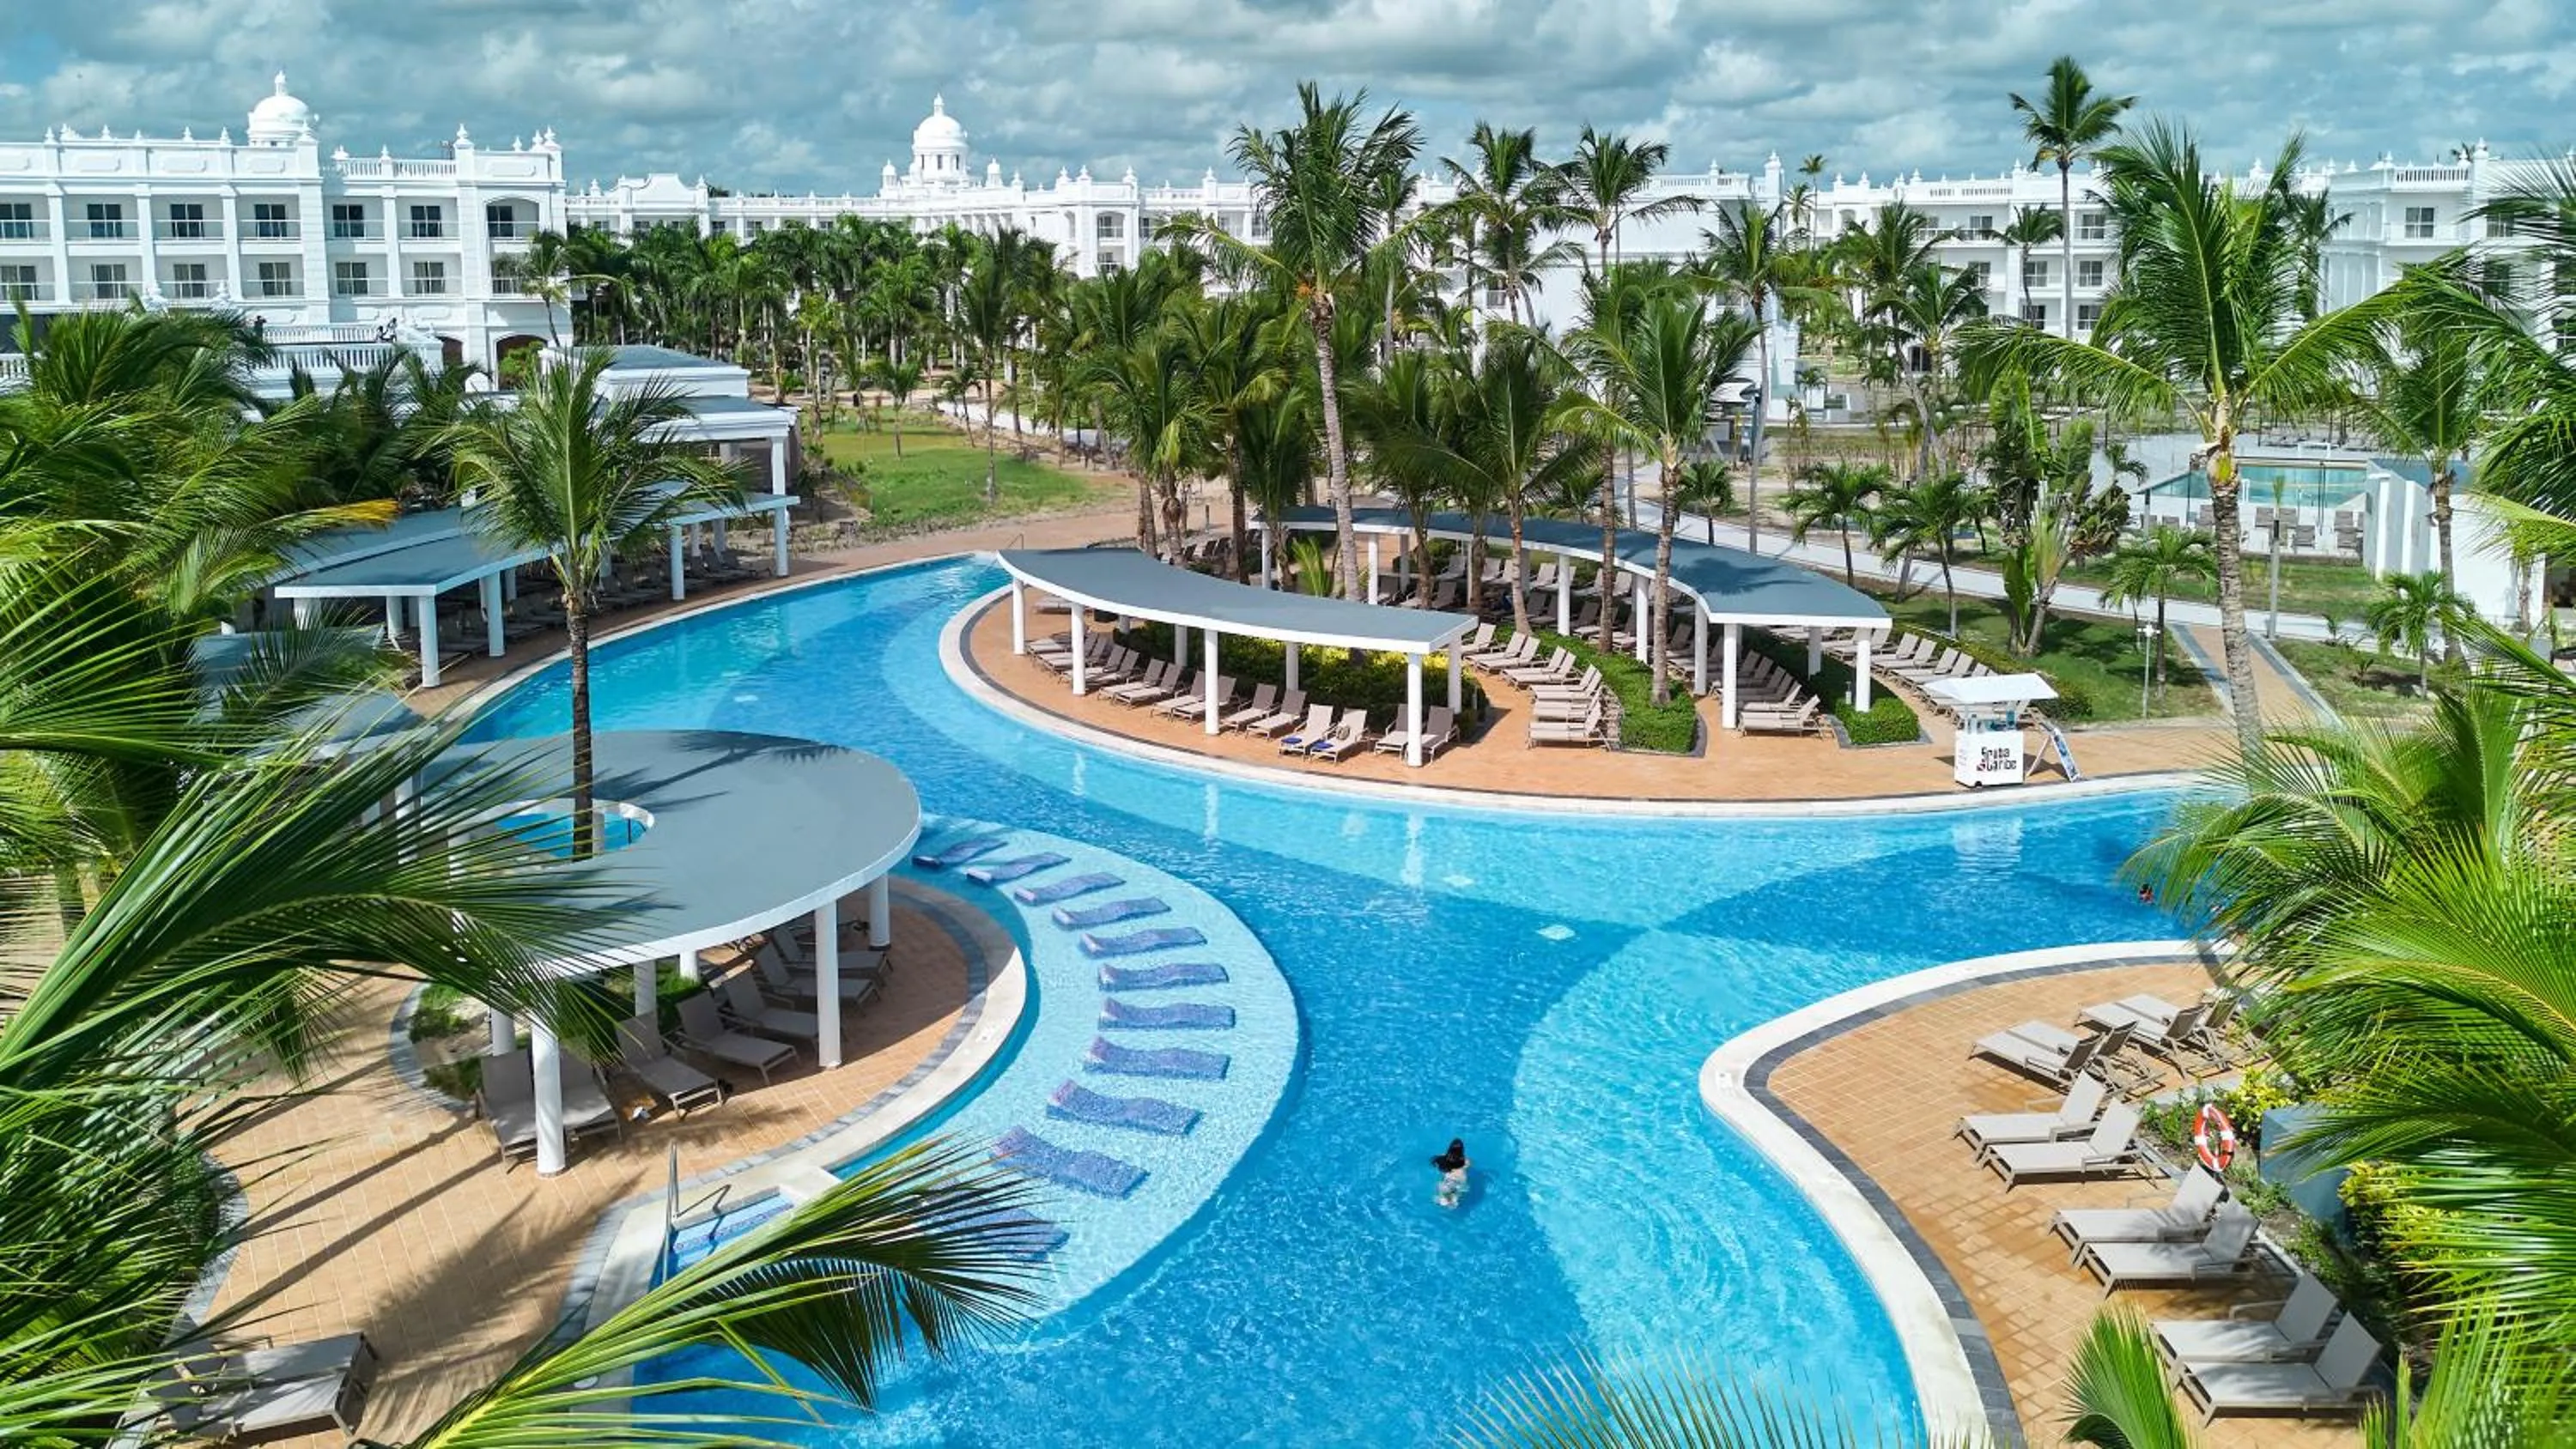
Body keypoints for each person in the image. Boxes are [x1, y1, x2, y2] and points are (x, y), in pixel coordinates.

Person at [1430, 1138, 1468, 1209]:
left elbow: (1432, 1161)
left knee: (1444, 1193)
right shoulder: (1466, 1161)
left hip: (1448, 1179)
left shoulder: (1441, 1158)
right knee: (1455, 1195)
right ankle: (1450, 1201)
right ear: (1462, 1150)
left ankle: (1444, 1200)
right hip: (1459, 1180)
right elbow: (1468, 1165)